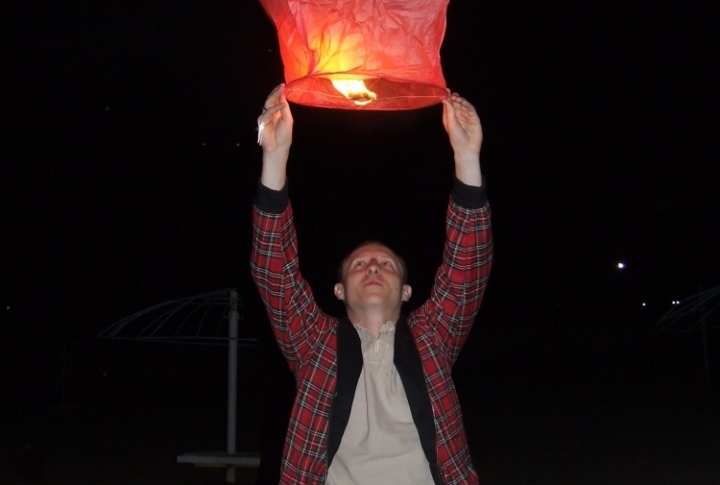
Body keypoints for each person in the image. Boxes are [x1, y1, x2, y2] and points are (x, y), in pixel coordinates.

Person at [251, 84, 493, 485]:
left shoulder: (432, 338)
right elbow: (274, 271)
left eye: (386, 264)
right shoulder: (316, 345)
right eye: (360, 264)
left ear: (406, 292)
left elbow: (467, 268)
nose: (374, 268)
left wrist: (467, 157)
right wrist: (274, 157)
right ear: (340, 290)